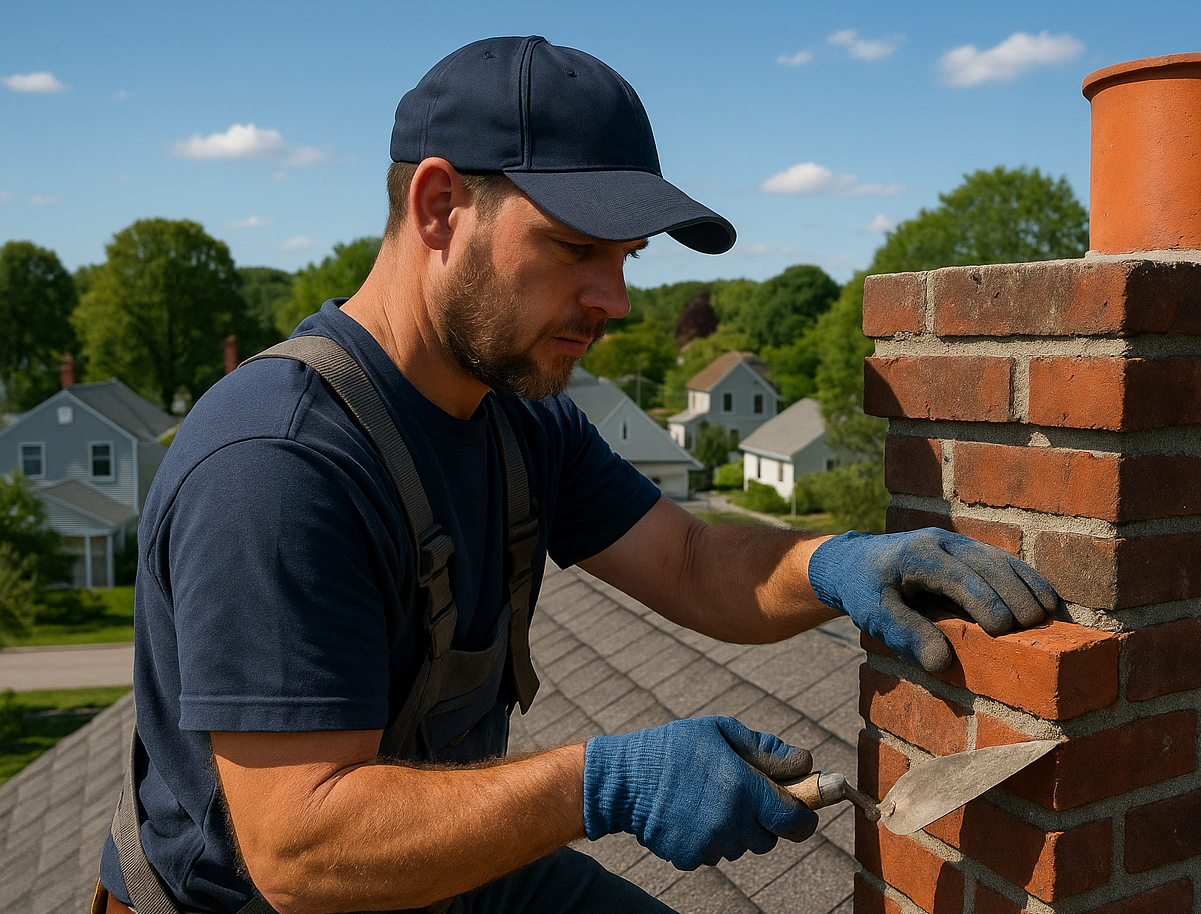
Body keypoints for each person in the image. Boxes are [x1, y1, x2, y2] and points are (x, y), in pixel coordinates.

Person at [97, 36, 1060, 914]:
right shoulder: (282, 464)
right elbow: (301, 850)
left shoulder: (519, 419)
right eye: (574, 249)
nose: (617, 300)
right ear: (439, 208)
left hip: (444, 881)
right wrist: (605, 785)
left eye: (627, 257)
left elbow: (687, 561)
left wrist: (839, 564)